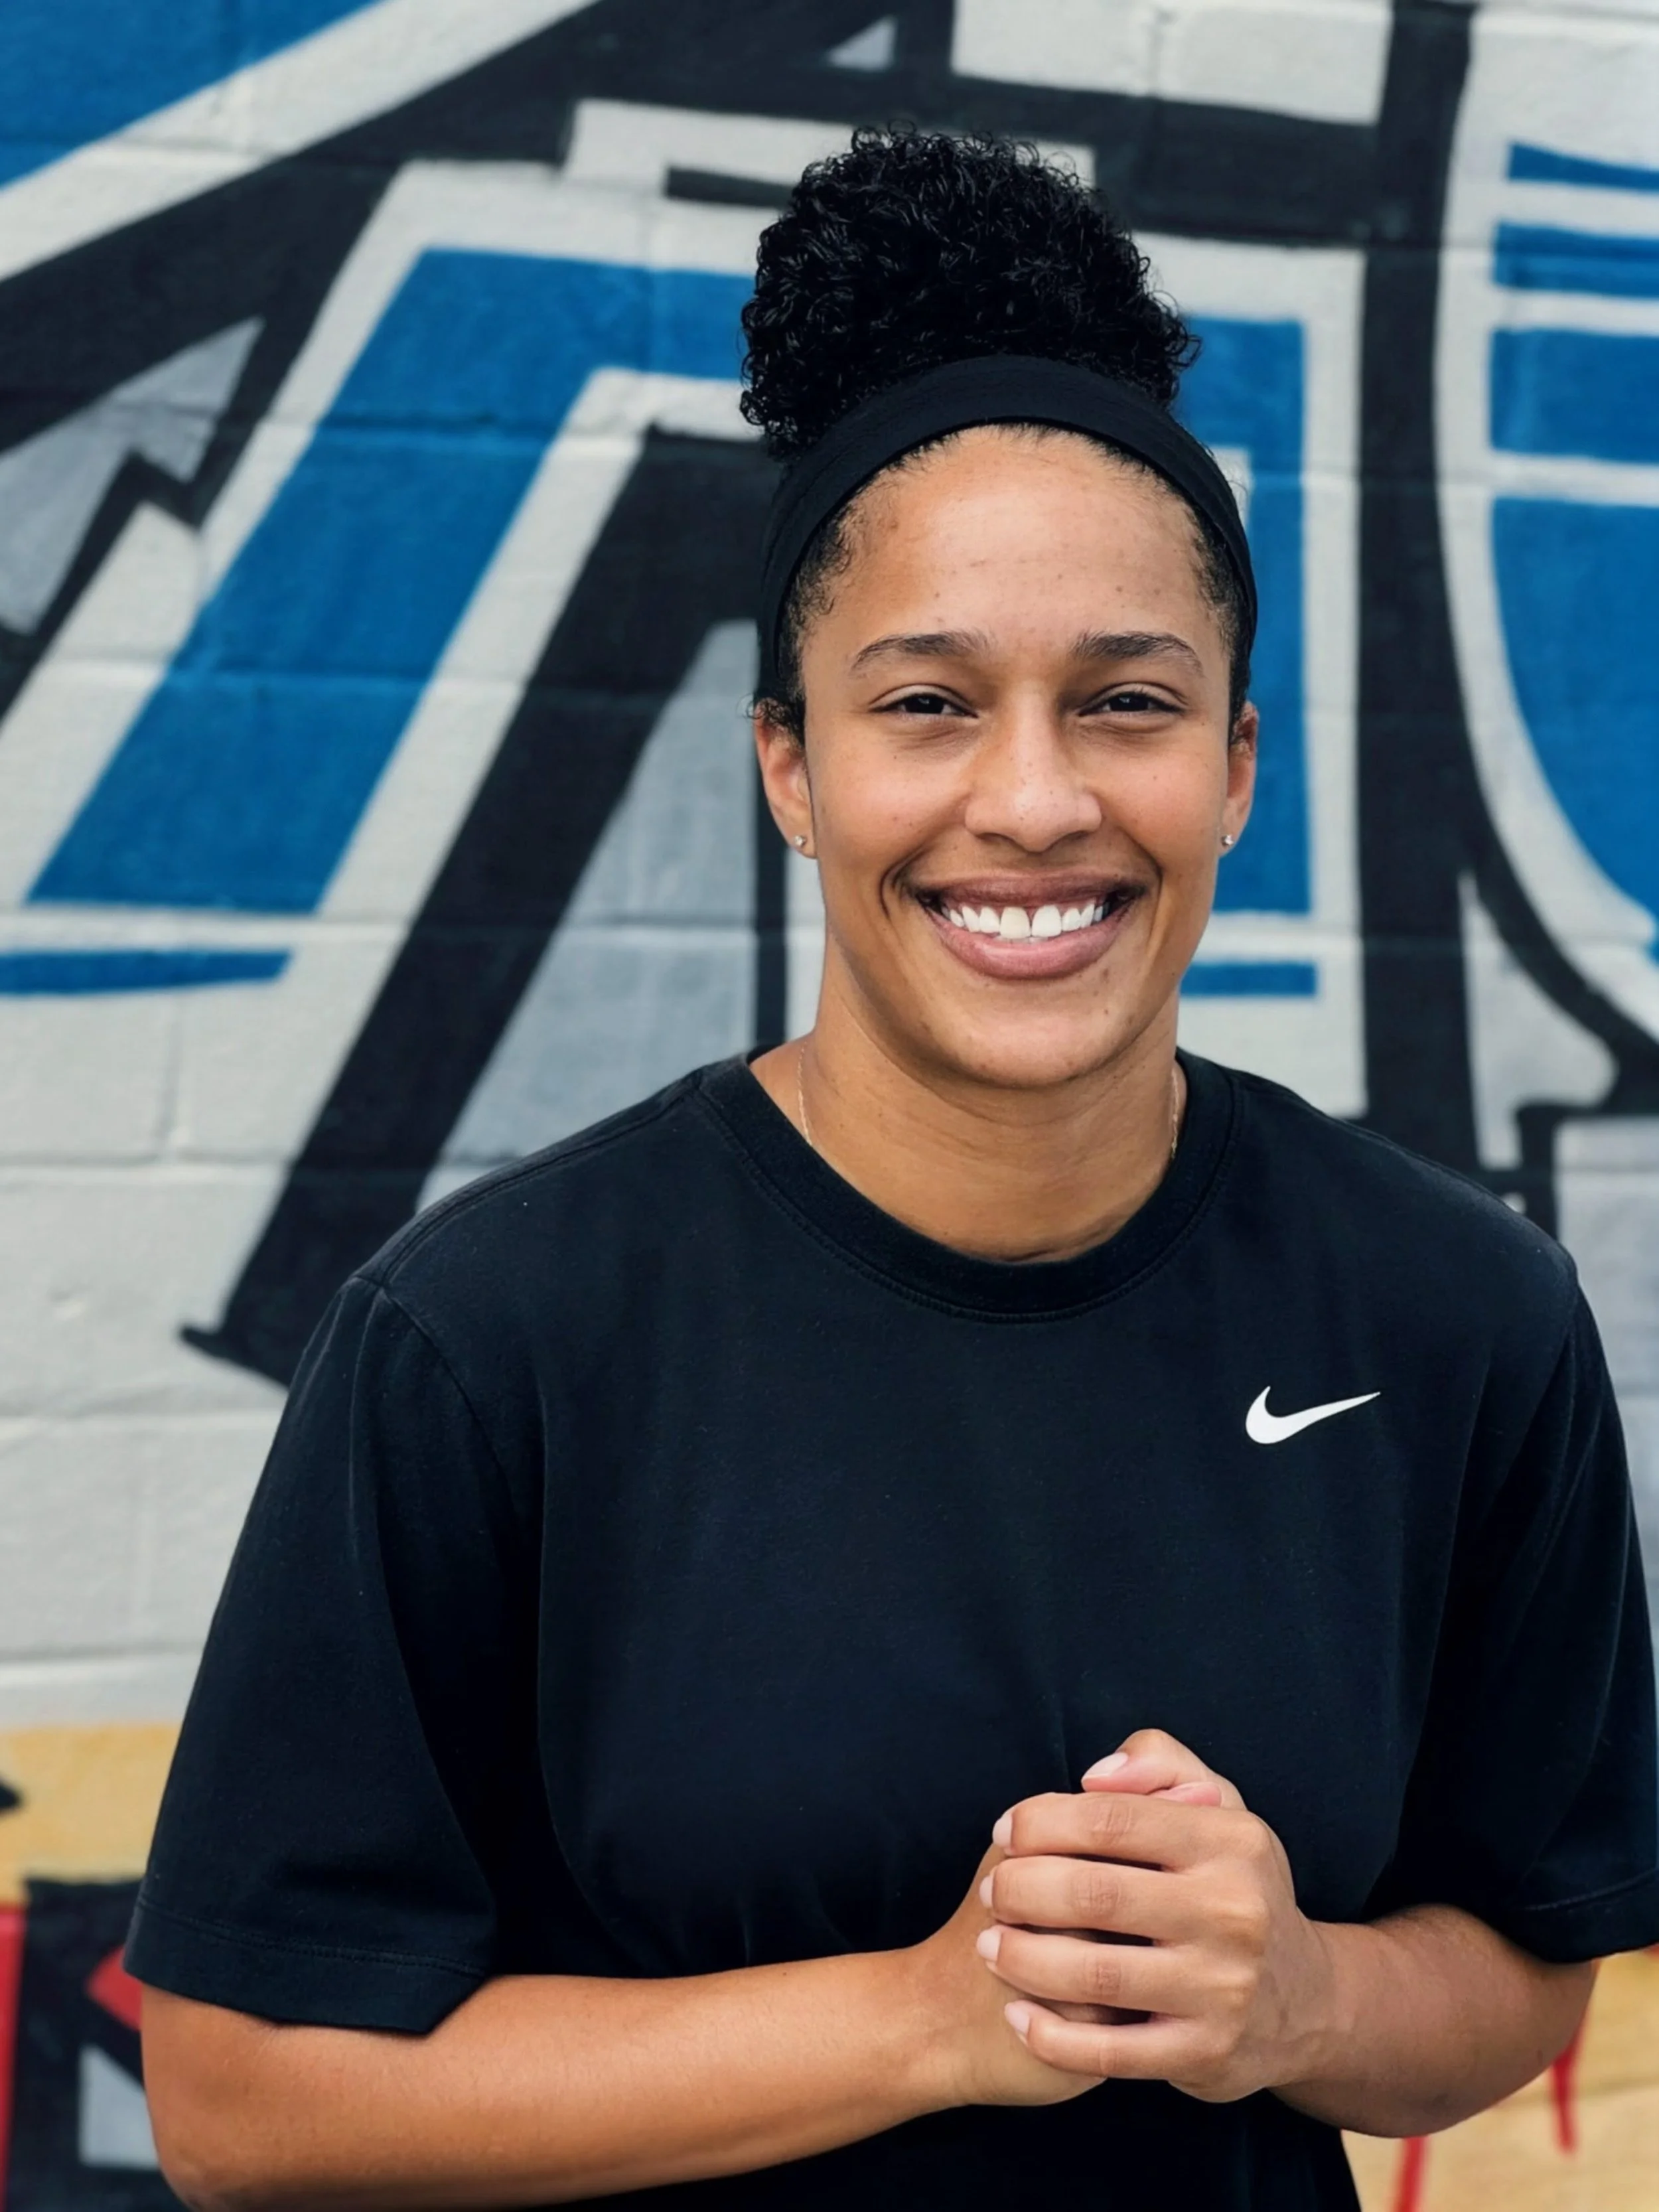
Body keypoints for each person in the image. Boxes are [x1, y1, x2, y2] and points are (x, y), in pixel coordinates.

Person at [133, 130, 1657, 2210]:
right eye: (927, 701)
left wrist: (1299, 1996)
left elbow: (1517, 1958)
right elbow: (241, 2100)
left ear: (1234, 764)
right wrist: (927, 2021)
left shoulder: (1455, 1310)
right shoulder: (489, 1341)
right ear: (790, 760)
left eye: (1125, 702)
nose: (1029, 799)